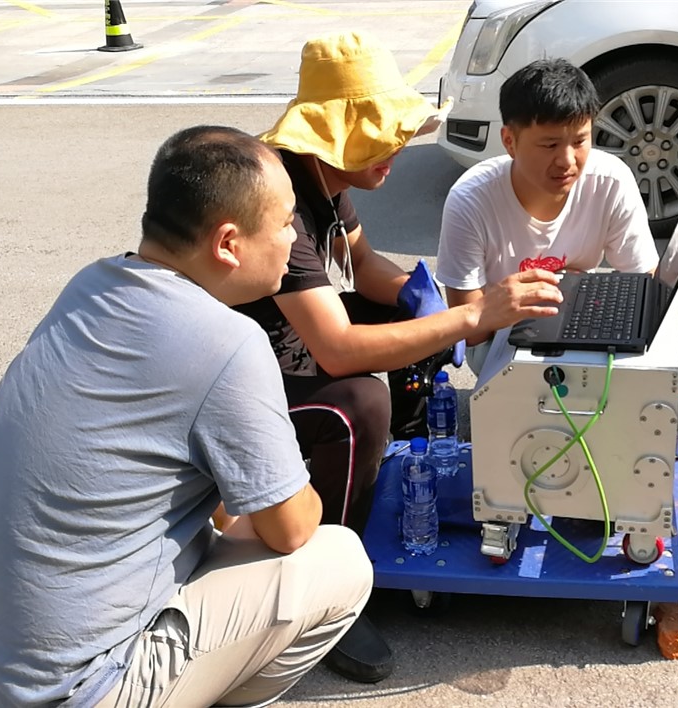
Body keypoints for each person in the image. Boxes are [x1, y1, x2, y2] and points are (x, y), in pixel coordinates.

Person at [0, 126, 373, 708]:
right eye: (286, 222)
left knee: (220, 524)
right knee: (338, 560)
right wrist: (285, 482)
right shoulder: (228, 341)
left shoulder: (91, 284)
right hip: (75, 691)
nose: (294, 238)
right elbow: (290, 529)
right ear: (229, 243)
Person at [235, 31, 563, 684]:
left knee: (423, 326)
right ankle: (327, 589)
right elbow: (334, 345)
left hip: (297, 333)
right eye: (384, 132)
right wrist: (474, 313)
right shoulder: (284, 198)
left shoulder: (323, 172)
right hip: (245, 375)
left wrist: (430, 305)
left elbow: (359, 263)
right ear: (340, 133)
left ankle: (403, 459)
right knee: (359, 405)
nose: (398, 147)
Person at [436, 58, 660, 372]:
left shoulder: (611, 181)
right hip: (499, 336)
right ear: (509, 141)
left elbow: (644, 283)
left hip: (577, 315)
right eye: (550, 144)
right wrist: (511, 305)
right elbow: (471, 333)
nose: (567, 161)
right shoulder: (470, 201)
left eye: (580, 141)